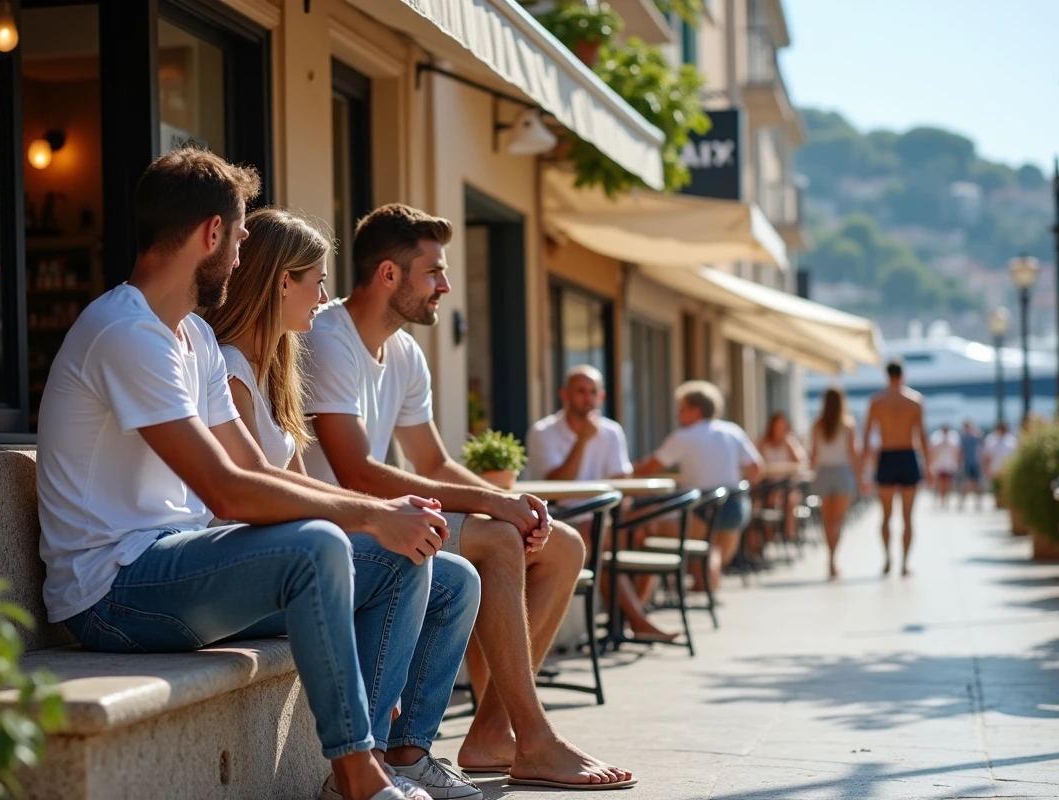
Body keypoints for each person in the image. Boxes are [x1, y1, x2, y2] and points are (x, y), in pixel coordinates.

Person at [36, 148, 472, 800]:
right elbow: (225, 490)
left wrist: (388, 516)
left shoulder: (194, 340)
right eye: (239, 236)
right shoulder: (125, 333)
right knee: (323, 544)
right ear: (211, 233)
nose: (240, 256)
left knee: (433, 567)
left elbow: (253, 466)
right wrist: (368, 513)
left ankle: (385, 761)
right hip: (112, 592)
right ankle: (356, 776)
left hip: (176, 567)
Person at [300, 204, 633, 790]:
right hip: (349, 526)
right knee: (501, 540)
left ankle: (492, 734)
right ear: (388, 275)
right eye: (433, 273)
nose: (445, 287)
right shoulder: (329, 337)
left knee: (563, 544)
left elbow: (432, 460)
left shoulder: (403, 351)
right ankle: (537, 739)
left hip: (388, 518)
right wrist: (497, 509)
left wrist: (515, 499)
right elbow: (355, 472)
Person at [201, 207, 483, 800]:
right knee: (406, 556)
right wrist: (378, 527)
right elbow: (248, 494)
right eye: (318, 280)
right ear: (283, 282)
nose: (325, 296)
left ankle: (410, 753)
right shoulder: (226, 368)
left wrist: (389, 521)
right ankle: (364, 766)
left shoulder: (275, 369)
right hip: (240, 568)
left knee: (456, 577)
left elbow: (308, 489)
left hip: (287, 553)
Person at [526, 364, 677, 643]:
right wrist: (582, 441)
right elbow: (558, 489)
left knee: (643, 530)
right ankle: (636, 620)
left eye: (592, 392)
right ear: (565, 395)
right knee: (597, 541)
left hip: (600, 518)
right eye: (580, 391)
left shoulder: (611, 431)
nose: (587, 398)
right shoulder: (542, 432)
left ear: (602, 397)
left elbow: (621, 481)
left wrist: (620, 512)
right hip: (559, 518)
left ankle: (626, 619)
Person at [634, 381, 764, 592]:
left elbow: (649, 468)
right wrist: (736, 482)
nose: (678, 414)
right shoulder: (732, 431)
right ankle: (703, 578)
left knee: (648, 527)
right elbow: (756, 469)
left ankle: (643, 596)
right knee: (711, 551)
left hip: (702, 511)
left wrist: (624, 470)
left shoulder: (684, 436)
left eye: (682, 409)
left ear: (696, 410)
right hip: (736, 509)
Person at [862, 358, 930, 577]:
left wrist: (864, 467)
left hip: (887, 456)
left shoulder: (877, 401)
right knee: (908, 517)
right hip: (908, 455)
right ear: (903, 375)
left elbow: (866, 437)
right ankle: (905, 563)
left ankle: (888, 558)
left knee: (886, 515)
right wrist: (928, 465)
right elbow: (922, 436)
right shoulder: (914, 400)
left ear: (886, 375)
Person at [810, 388, 861, 580]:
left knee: (827, 520)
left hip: (823, 472)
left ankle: (830, 558)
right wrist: (860, 477)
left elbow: (813, 454)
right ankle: (833, 558)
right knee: (837, 520)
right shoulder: (847, 424)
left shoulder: (817, 424)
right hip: (842, 473)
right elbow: (853, 453)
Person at [756, 411, 808, 541]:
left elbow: (801, 463)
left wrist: (790, 445)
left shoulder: (790, 442)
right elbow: (756, 463)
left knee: (790, 500)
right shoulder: (763, 443)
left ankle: (789, 535)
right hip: (767, 485)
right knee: (760, 503)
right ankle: (765, 538)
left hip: (786, 485)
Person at [982, 420, 1018, 504]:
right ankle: (998, 502)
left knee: (1005, 488)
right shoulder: (991, 439)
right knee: (996, 487)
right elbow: (986, 456)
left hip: (1007, 470)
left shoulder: (1011, 440)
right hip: (995, 469)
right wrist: (986, 468)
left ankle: (1004, 502)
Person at [928, 423, 961, 508]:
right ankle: (937, 500)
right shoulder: (936, 436)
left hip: (949, 464)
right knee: (938, 483)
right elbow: (932, 450)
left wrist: (957, 462)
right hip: (938, 464)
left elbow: (957, 451)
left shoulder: (954, 436)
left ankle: (946, 500)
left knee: (948, 483)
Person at [958, 419, 984, 511]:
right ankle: (962, 503)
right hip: (967, 463)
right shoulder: (964, 437)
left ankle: (978, 503)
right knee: (965, 483)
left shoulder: (974, 437)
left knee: (976, 483)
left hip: (974, 463)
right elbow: (961, 452)